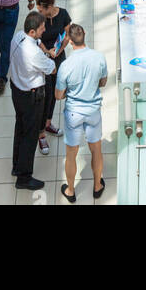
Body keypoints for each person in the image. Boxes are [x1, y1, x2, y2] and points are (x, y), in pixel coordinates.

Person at [55, 24, 108, 203]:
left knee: (71, 154)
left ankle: (70, 190)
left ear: (69, 41)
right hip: (93, 111)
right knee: (96, 150)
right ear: (84, 34)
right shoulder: (99, 57)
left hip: (73, 115)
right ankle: (97, 186)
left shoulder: (65, 65)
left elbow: (58, 95)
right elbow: (103, 81)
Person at [8, 11, 56, 190]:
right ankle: (24, 177)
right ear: (32, 32)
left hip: (17, 90)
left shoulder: (18, 36)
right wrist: (48, 55)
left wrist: (42, 49)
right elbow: (51, 68)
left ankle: (16, 166)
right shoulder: (33, 54)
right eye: (42, 29)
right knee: (30, 135)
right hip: (32, 96)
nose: (44, 31)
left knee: (20, 128)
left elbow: (36, 44)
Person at [35, 0, 71, 150]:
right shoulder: (39, 19)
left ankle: (48, 122)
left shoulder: (62, 14)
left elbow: (67, 33)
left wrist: (60, 49)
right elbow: (36, 37)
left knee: (56, 94)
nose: (39, 12)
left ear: (49, 7)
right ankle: (41, 133)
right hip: (44, 60)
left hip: (58, 58)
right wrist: (47, 51)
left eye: (41, 10)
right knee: (45, 95)